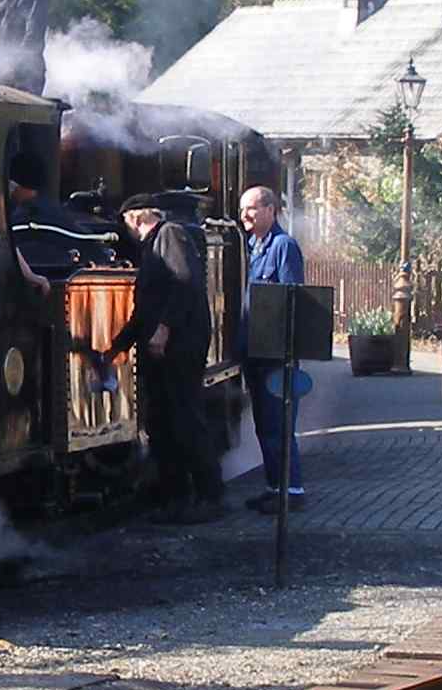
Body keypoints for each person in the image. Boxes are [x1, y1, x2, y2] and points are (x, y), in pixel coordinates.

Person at [107, 196, 222, 520]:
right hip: (161, 347)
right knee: (162, 422)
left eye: (124, 221)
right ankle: (175, 495)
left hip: (180, 345)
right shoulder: (152, 245)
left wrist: (164, 329)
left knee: (185, 417)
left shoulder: (170, 234)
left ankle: (209, 495)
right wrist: (118, 345)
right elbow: (145, 308)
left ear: (134, 217)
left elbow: (185, 284)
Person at [237, 185, 307, 513]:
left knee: (280, 425)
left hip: (276, 354)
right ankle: (273, 486)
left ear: (270, 209)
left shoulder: (283, 246)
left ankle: (292, 490)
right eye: (242, 210)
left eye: (251, 209)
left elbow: (292, 298)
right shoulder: (252, 247)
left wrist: (287, 349)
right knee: (264, 425)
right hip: (255, 351)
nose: (244, 216)